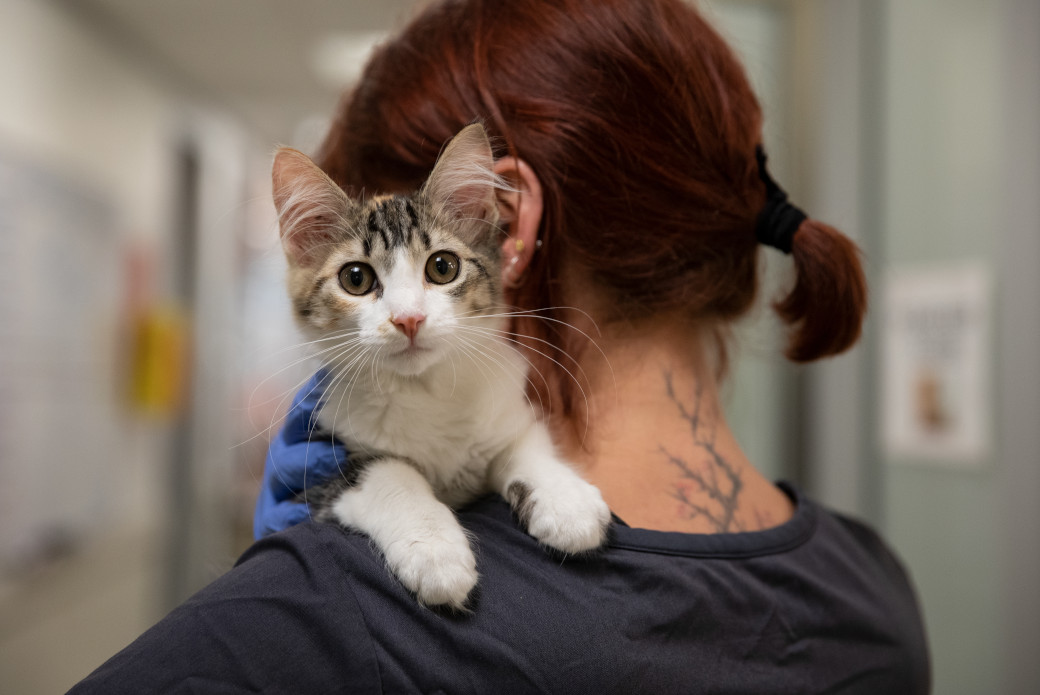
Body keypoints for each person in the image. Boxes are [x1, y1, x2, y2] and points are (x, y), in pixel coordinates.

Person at [71, 0, 930, 692]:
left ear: (502, 226)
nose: (403, 312)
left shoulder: (320, 622)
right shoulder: (875, 586)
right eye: (363, 277)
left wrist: (295, 587)